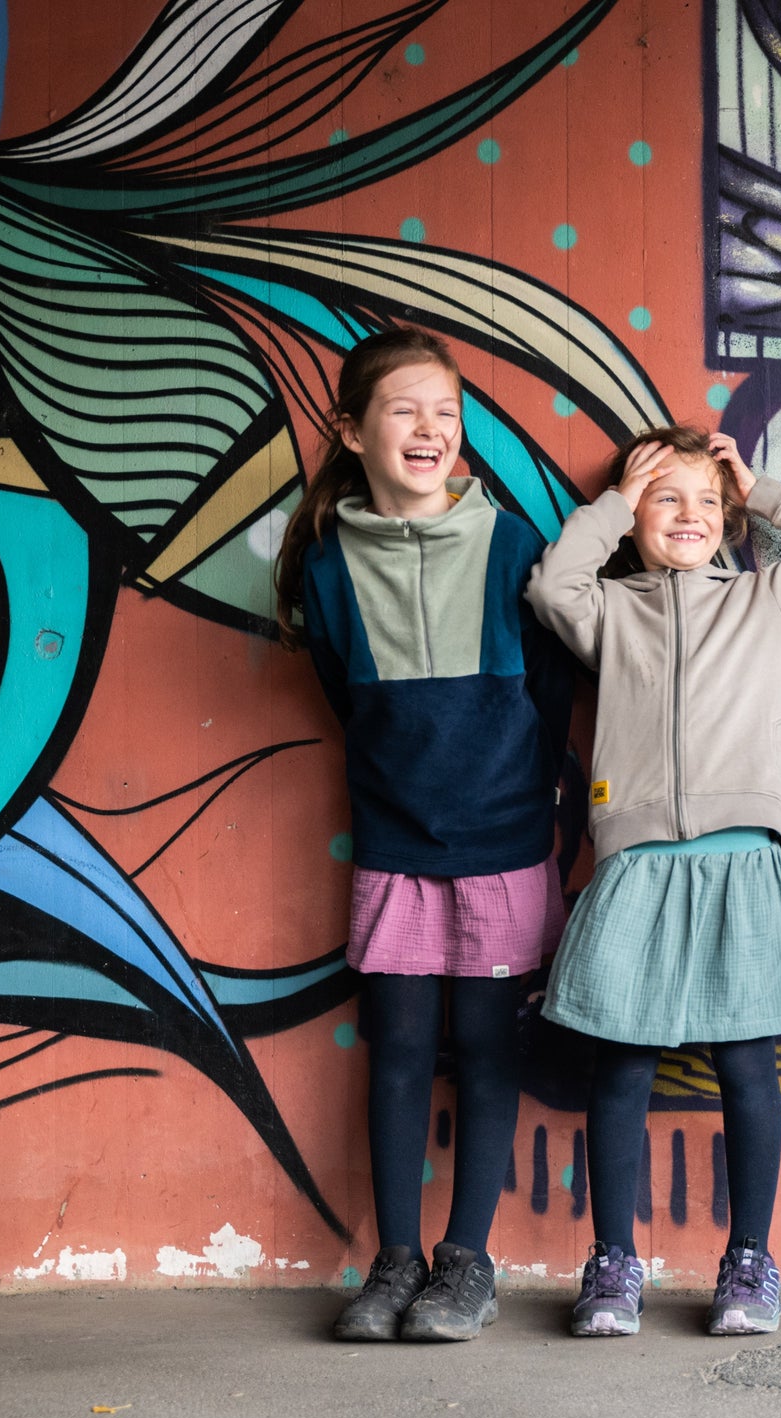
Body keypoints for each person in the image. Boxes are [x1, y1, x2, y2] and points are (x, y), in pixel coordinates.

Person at [527, 424, 781, 1337]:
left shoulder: (768, 600)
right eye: (664, 498)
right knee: (623, 1064)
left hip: (739, 862)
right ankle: (613, 1262)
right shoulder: (612, 611)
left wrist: (757, 490)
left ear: (730, 520)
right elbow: (552, 585)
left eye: (707, 503)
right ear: (635, 515)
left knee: (747, 1064)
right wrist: (609, 504)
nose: (689, 516)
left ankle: (749, 1260)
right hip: (637, 864)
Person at [277, 328, 576, 1342]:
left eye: (446, 413)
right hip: (395, 843)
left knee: (488, 1051)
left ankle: (466, 1262)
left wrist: (538, 813)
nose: (429, 429)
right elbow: (342, 690)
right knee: (398, 1048)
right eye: (405, 410)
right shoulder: (326, 565)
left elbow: (550, 691)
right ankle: (395, 1260)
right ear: (352, 431)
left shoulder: (511, 547)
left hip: (503, 842)